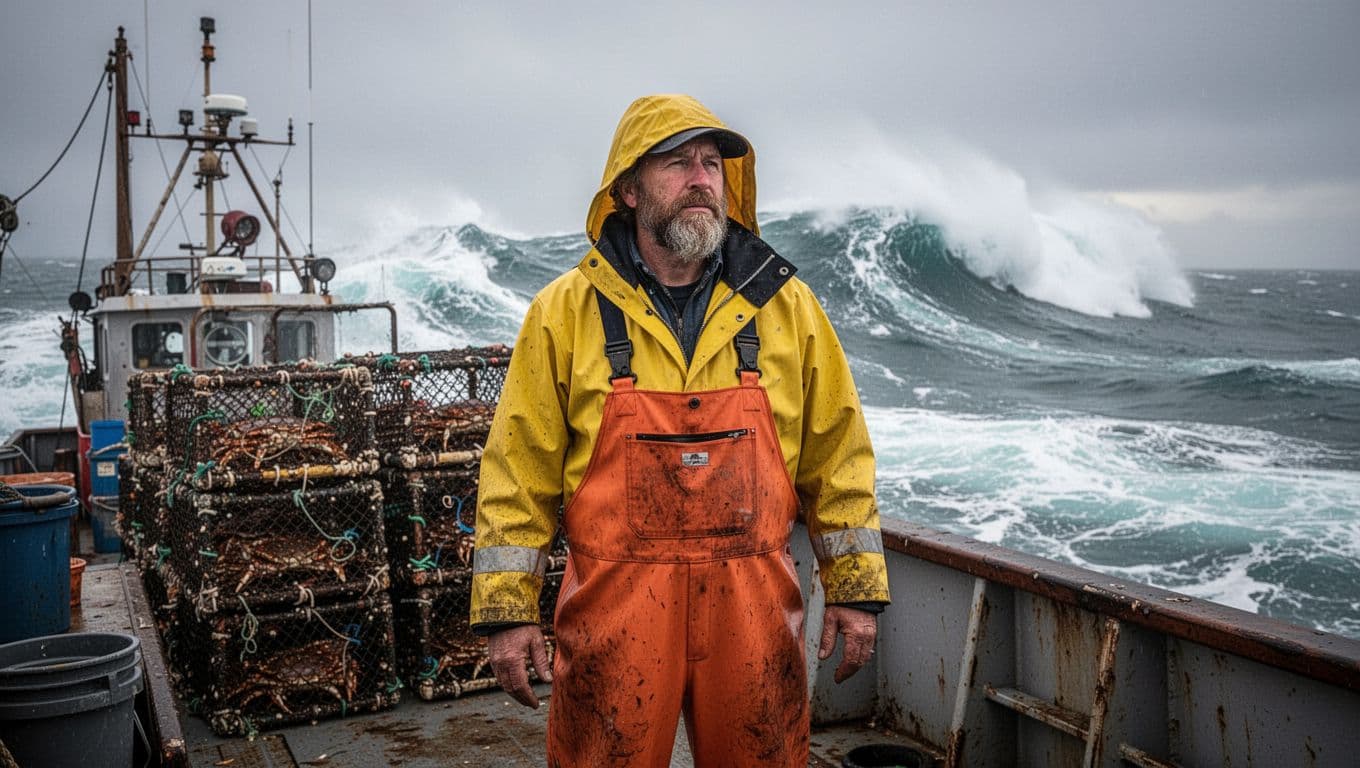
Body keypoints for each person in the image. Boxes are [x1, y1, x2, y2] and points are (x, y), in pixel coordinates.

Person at [470, 93, 891, 767]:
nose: (701, 178)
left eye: (711, 164)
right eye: (676, 164)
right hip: (616, 615)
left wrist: (855, 590)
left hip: (752, 614)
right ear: (630, 190)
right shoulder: (563, 314)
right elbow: (518, 474)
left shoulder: (786, 305)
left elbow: (837, 454)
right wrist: (507, 612)